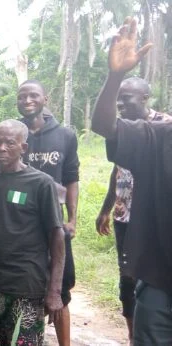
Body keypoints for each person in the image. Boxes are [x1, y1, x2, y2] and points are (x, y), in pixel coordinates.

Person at [92, 17, 172, 344]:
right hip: (160, 280)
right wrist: (115, 76)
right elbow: (104, 127)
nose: (125, 104)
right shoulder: (160, 135)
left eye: (130, 98)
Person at [0, 119, 65, 346]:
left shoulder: (41, 184)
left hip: (27, 285)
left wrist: (54, 291)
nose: (2, 148)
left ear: (23, 148)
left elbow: (57, 236)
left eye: (10, 143)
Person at [16, 79, 79, 346]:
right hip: (21, 225)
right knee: (26, 287)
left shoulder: (65, 136)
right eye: (22, 97)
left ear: (45, 99)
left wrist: (73, 218)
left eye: (33, 96)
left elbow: (72, 178)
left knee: (60, 289)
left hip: (54, 224)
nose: (27, 100)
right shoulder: (14, 133)